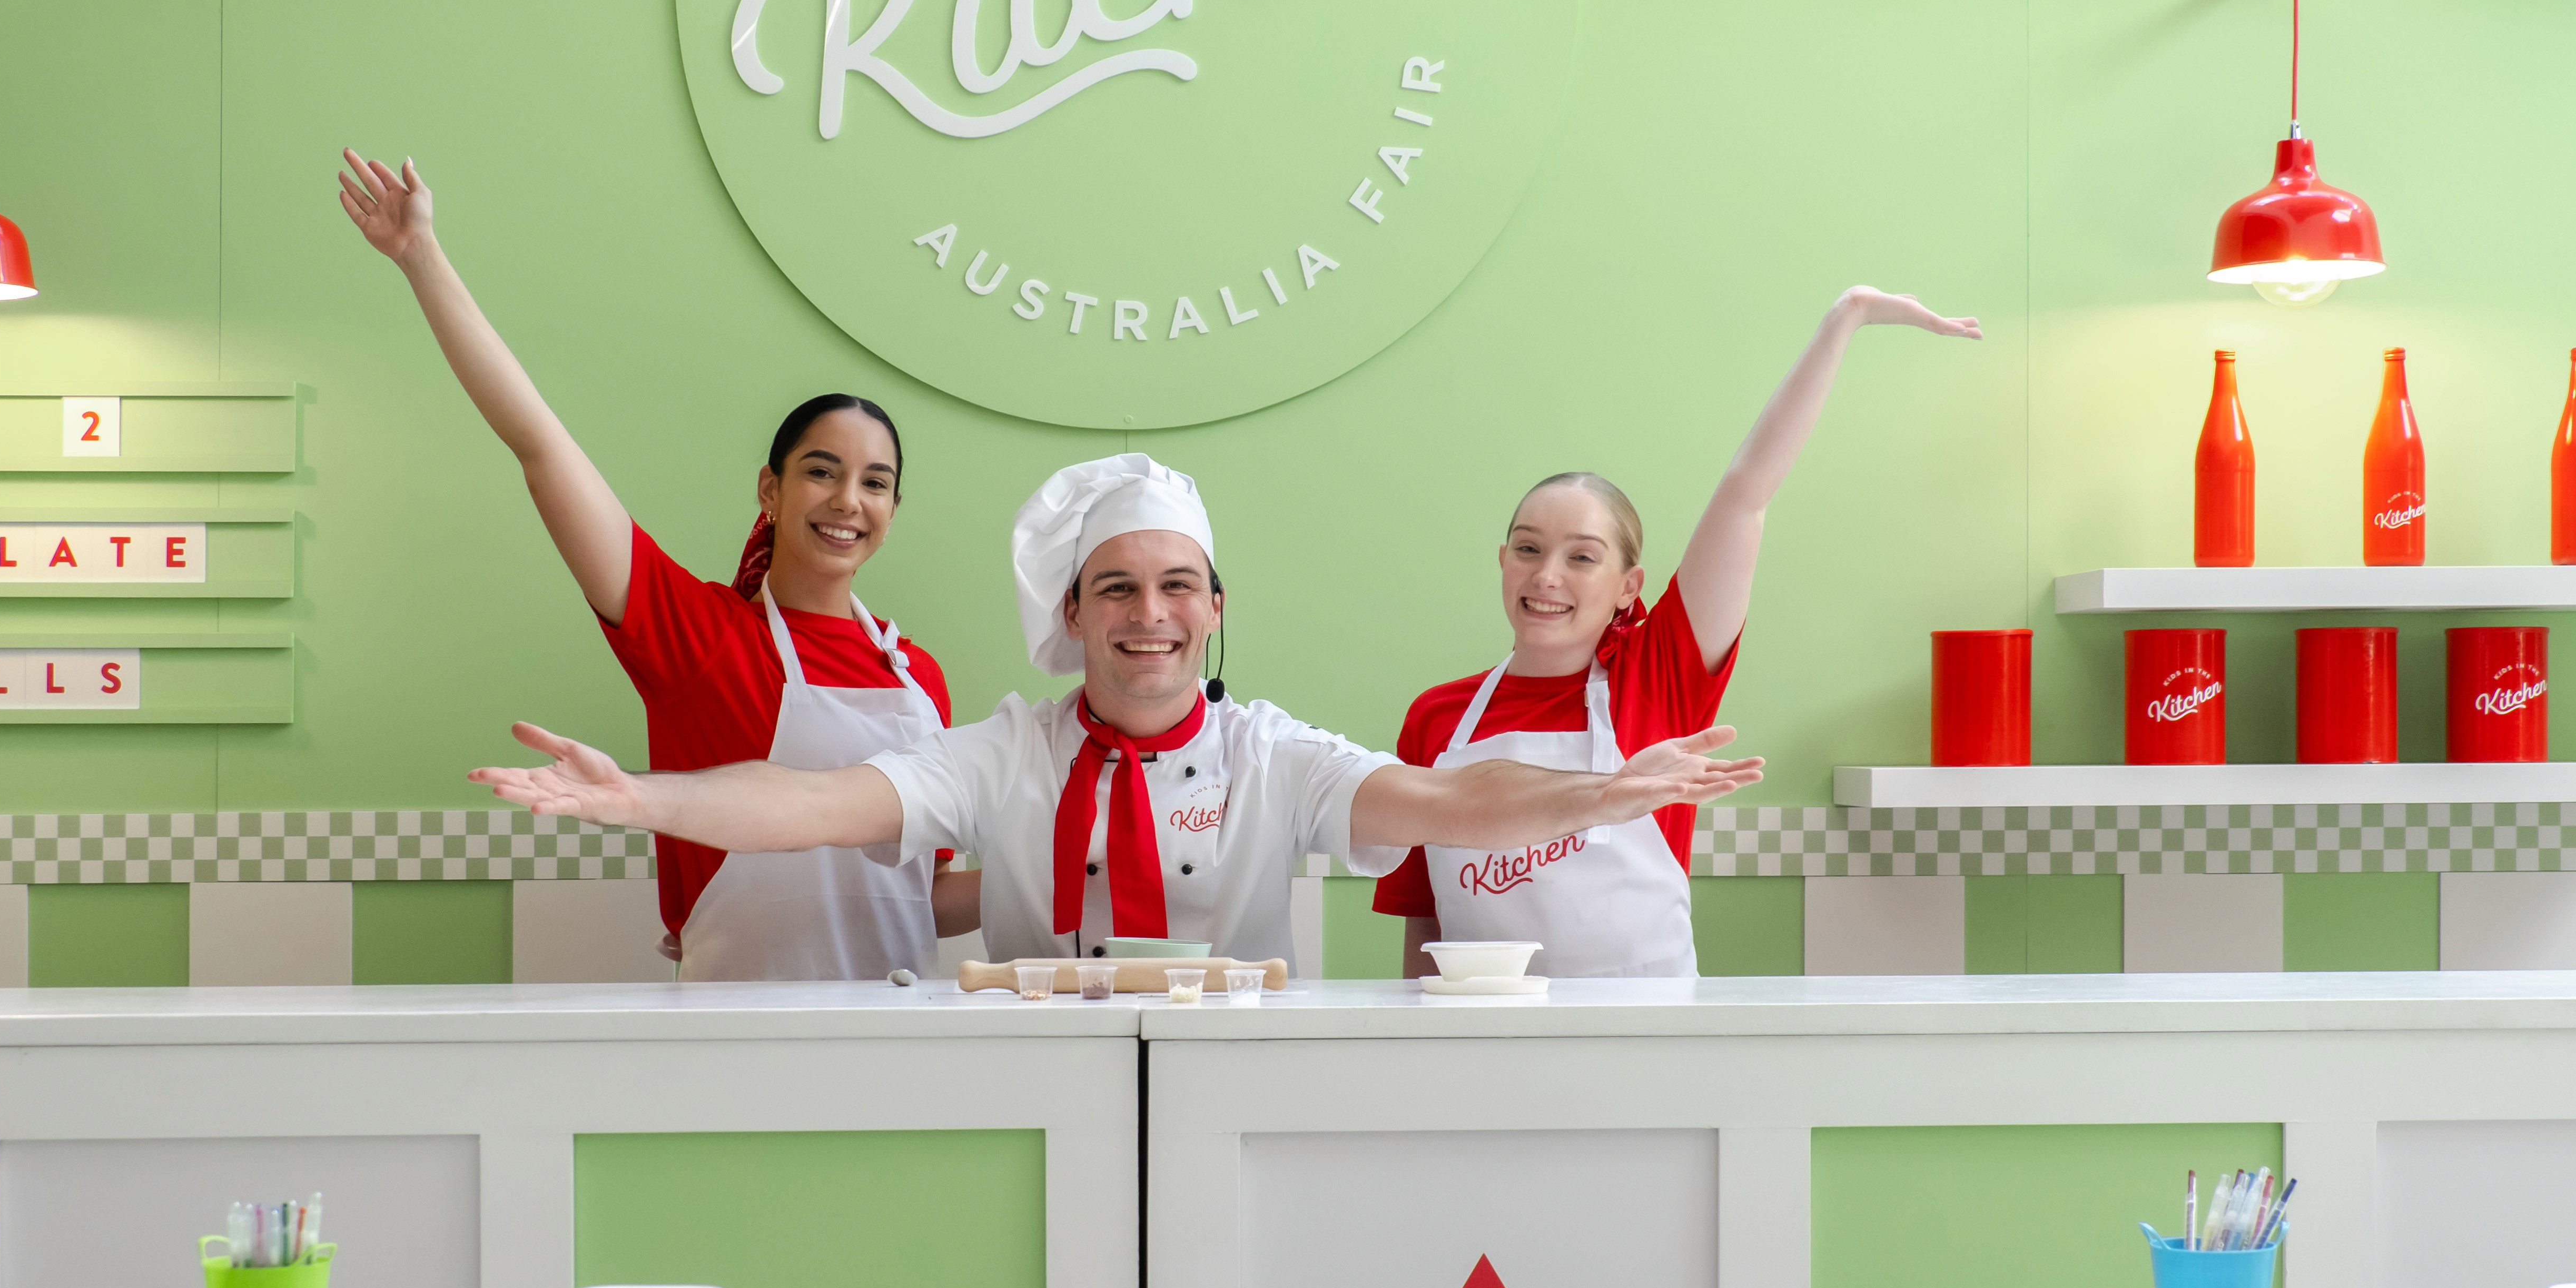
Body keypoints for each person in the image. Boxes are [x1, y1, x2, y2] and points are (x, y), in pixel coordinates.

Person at [463, 455, 1767, 967]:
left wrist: (1603, 795)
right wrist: (644, 799)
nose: (1152, 614)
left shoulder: (1274, 755)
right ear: (1074, 616)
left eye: (1179, 586)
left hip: (1240, 1104)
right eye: (1119, 588)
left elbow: (1448, 800)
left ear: (1215, 610)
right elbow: (812, 803)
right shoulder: (1004, 753)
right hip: (1042, 1105)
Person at [338, 150, 974, 979]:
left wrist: (1081, 867)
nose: (849, 500)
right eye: (822, 472)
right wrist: (421, 257)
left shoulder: (920, 678)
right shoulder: (699, 639)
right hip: (736, 1031)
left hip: (901, 1032)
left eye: (875, 483)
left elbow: (924, 897)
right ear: (771, 491)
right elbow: (541, 447)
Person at [1379, 288, 1982, 978]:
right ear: (1503, 560)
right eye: (1528, 548)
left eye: (1582, 557)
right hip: (1487, 1036)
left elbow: (1747, 494)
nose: (1546, 576)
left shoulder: (1660, 672)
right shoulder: (1435, 720)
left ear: (1627, 587)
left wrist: (1847, 318)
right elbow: (1425, 921)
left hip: (1650, 1030)